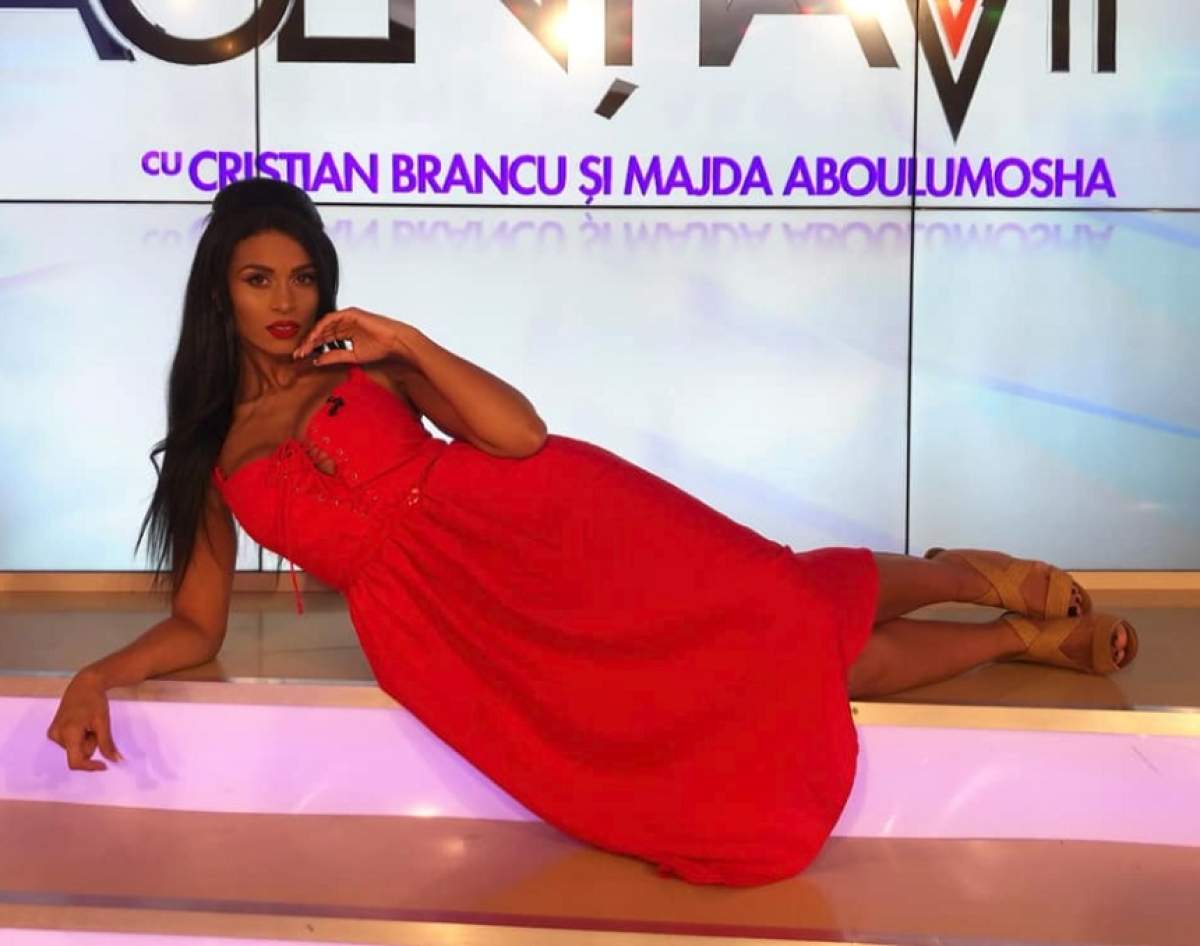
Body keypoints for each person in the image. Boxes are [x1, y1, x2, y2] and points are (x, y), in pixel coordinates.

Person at [46, 178, 1138, 886]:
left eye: (301, 277)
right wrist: (96, 674)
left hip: (547, 523)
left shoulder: (367, 362)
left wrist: (410, 342)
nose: (284, 299)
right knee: (770, 672)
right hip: (455, 631)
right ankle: (1017, 638)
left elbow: (519, 434)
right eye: (257, 279)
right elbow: (198, 625)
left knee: (778, 597)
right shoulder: (207, 456)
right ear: (219, 294)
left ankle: (969, 575)